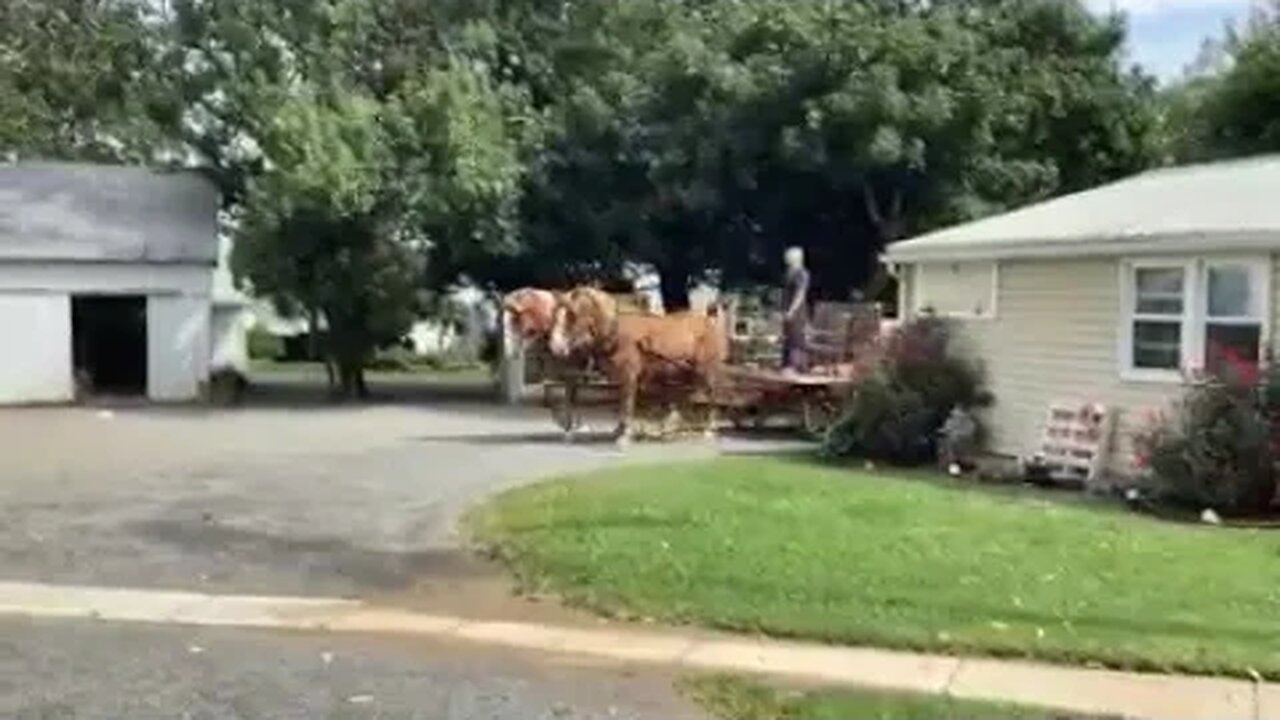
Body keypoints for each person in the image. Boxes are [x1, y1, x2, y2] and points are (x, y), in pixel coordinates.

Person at [781, 246, 810, 372]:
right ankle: (787, 365)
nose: (786, 259)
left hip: (797, 311)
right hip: (787, 309)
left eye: (789, 256)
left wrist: (792, 310)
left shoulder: (802, 273)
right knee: (787, 337)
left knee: (796, 337)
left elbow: (800, 294)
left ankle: (796, 366)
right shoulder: (789, 272)